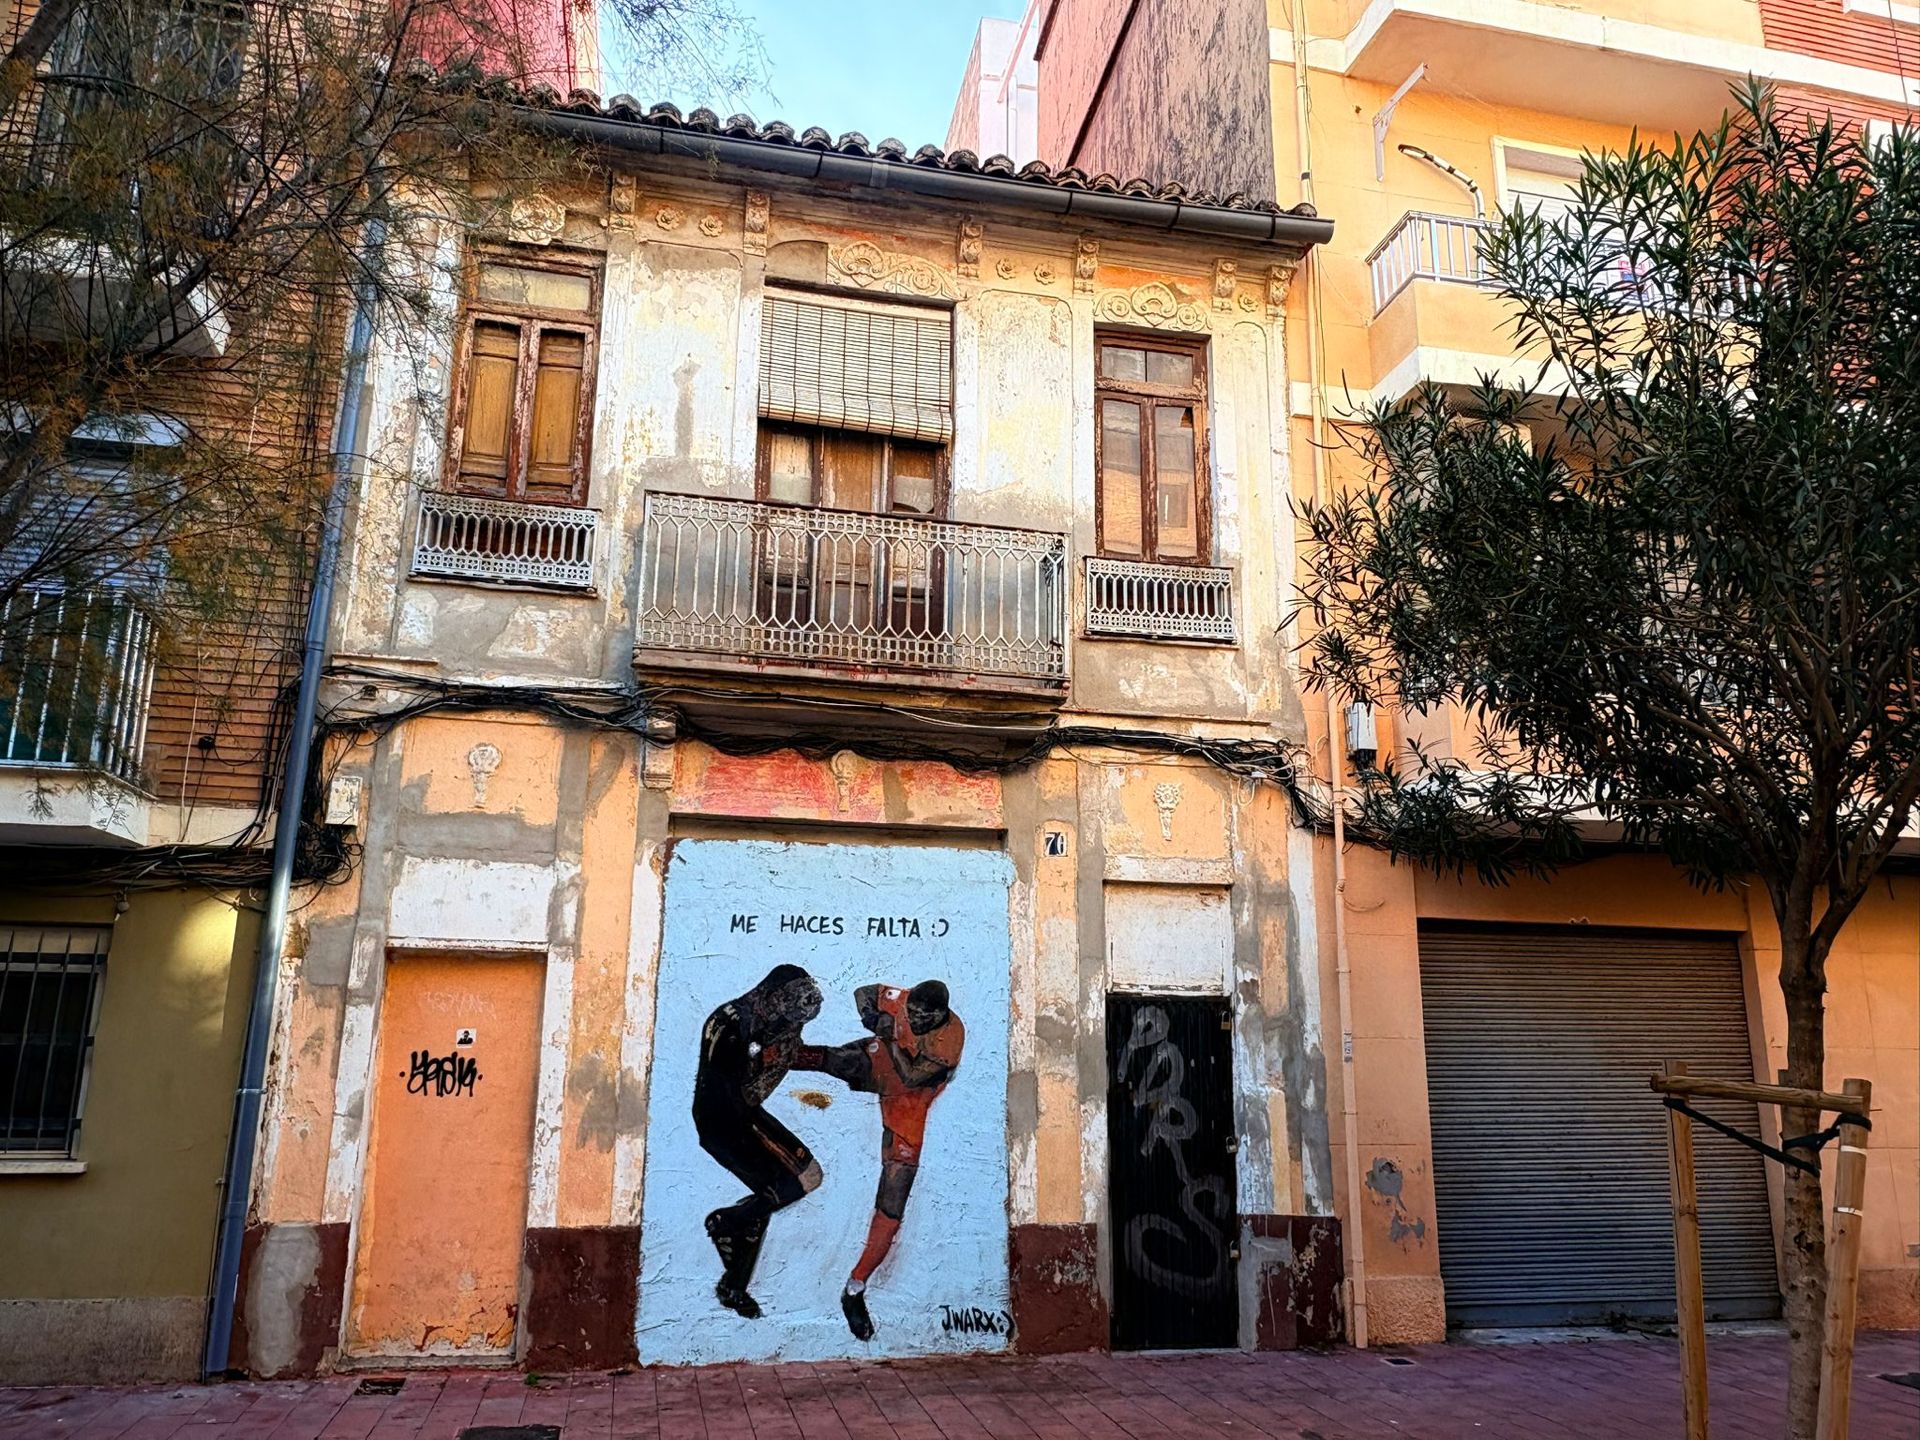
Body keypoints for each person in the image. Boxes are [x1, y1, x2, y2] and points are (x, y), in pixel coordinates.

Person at [792, 979, 964, 1341]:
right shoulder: (902, 1002)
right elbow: (864, 993)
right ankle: (782, 1057)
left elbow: (911, 1076)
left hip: (910, 1106)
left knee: (892, 1204)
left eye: (923, 1017)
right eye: (911, 1012)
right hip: (885, 1063)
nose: (914, 1019)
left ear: (941, 1015)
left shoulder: (949, 1039)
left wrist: (889, 1036)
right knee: (842, 1059)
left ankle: (855, 1287)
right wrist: (875, 1020)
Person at [692, 963, 824, 1318]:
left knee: (785, 1188)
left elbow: (786, 1058)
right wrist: (763, 1057)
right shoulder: (732, 1025)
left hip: (745, 1113)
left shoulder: (781, 1018)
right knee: (783, 1184)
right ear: (772, 995)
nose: (793, 1024)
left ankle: (733, 1282)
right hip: (723, 1119)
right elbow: (735, 1092)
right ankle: (727, 1223)